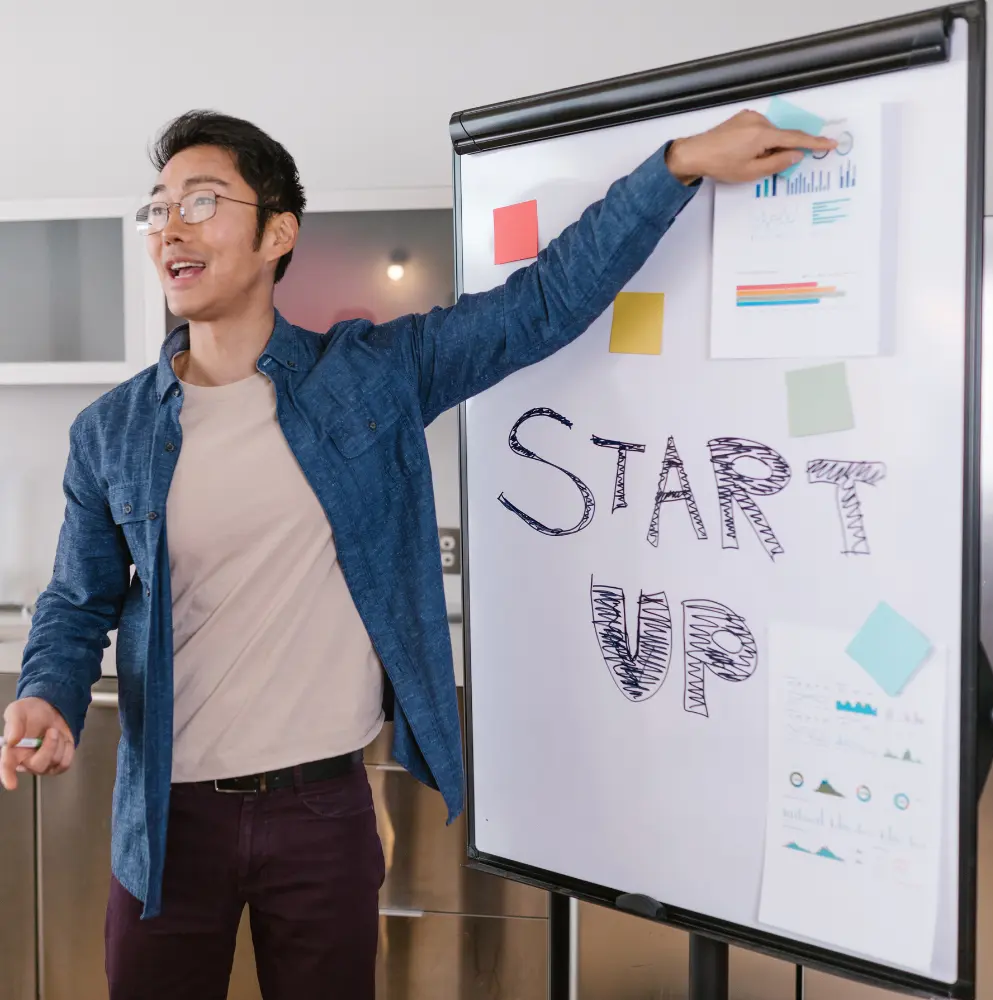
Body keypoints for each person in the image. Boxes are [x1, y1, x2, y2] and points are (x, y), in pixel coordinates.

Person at [0, 108, 834, 999]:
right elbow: (78, 600)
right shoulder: (112, 432)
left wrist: (676, 166)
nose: (171, 227)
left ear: (278, 231)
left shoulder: (370, 379)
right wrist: (45, 691)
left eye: (202, 201)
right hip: (165, 818)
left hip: (321, 812)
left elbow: (540, 305)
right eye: (158, 208)